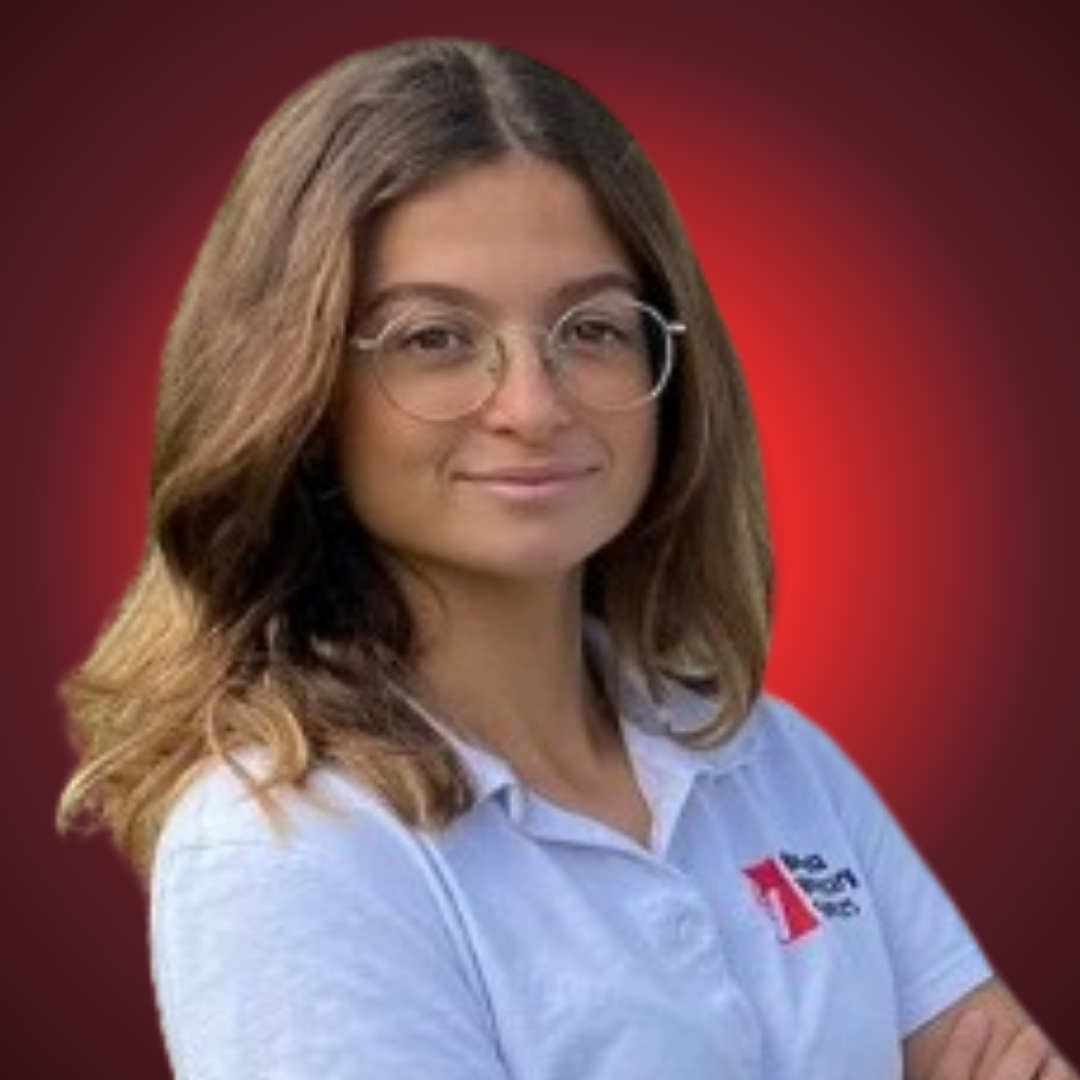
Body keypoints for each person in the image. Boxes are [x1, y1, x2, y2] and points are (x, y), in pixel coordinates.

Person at [57, 39, 1072, 1080]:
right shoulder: (287, 845)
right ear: (303, 397)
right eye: (434, 339)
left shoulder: (768, 759)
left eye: (591, 327)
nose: (534, 407)